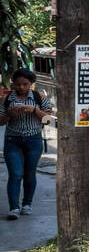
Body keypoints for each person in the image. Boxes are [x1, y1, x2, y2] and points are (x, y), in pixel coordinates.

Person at [3, 68, 54, 219]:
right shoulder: (7, 99)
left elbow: (48, 120)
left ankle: (27, 204)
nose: (21, 88)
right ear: (13, 84)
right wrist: (9, 114)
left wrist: (34, 110)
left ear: (31, 84)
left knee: (30, 173)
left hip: (33, 141)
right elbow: (0, 121)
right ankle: (14, 208)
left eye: (25, 84)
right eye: (18, 84)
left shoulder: (39, 97)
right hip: (13, 141)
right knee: (16, 173)